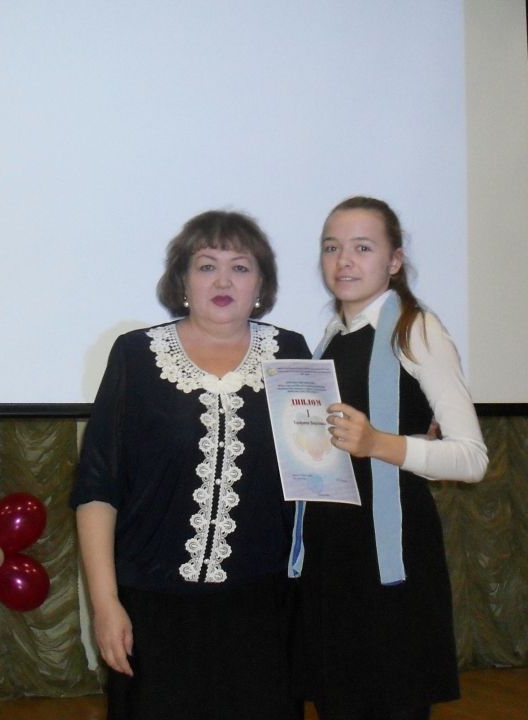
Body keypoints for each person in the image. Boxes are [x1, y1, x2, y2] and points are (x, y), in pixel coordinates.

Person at [70, 210, 309, 720]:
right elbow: (97, 488)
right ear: (182, 280)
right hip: (152, 607)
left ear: (261, 284)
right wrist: (105, 605)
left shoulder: (290, 353)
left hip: (262, 612)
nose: (223, 281)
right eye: (206, 266)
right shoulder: (136, 356)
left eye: (240, 267)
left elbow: (317, 468)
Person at [289, 196, 488, 720]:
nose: (343, 261)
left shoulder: (415, 330)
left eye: (362, 248)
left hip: (391, 559)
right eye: (332, 248)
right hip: (332, 555)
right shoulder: (331, 338)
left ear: (394, 261)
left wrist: (380, 443)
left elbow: (472, 458)